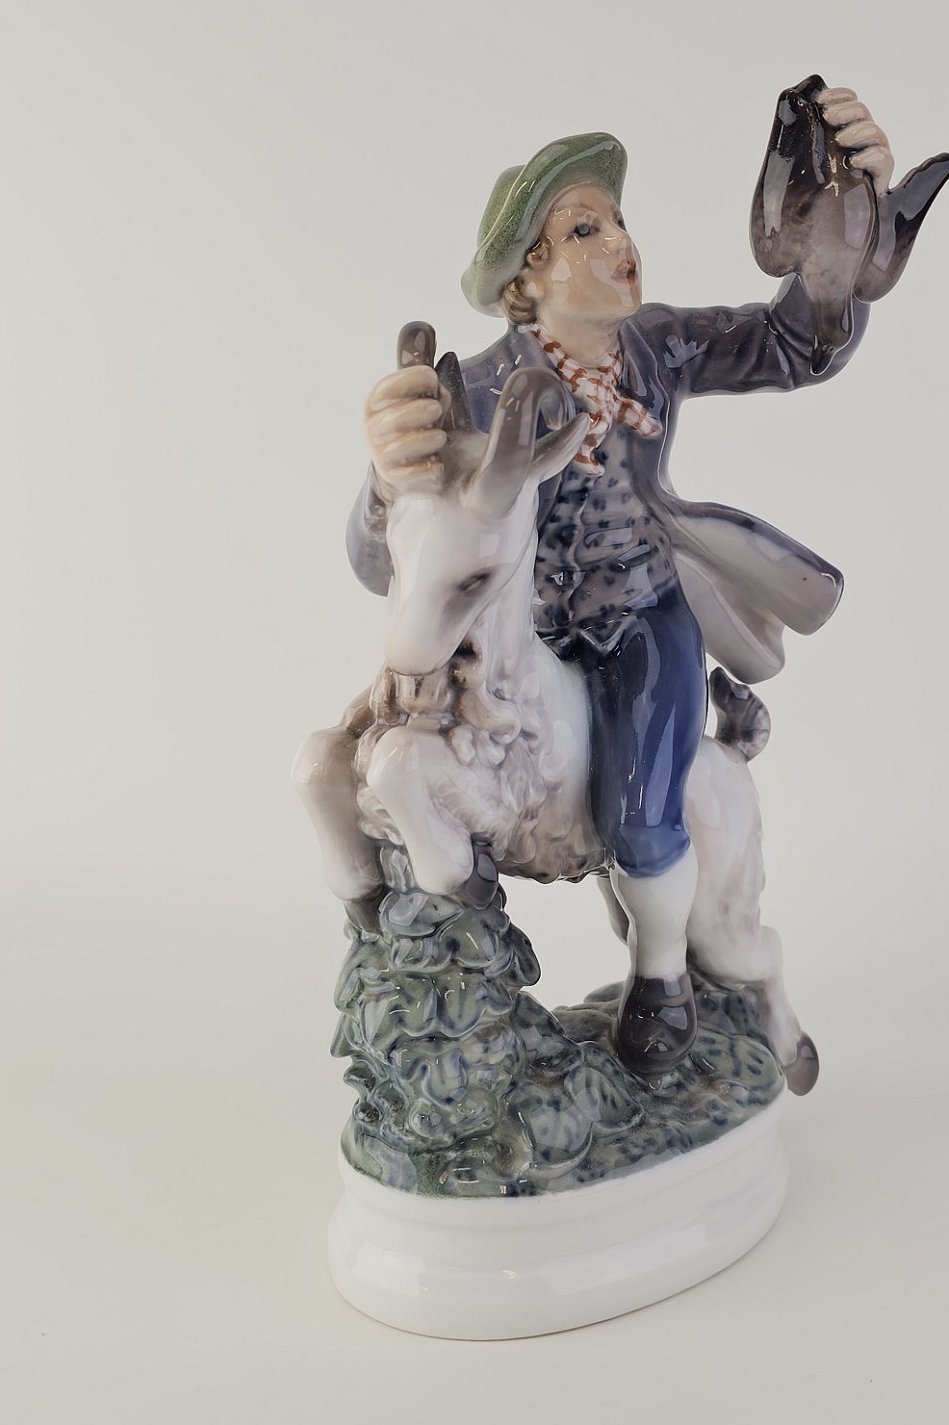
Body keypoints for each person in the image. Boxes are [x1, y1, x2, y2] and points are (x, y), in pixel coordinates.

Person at [350, 89, 894, 1074]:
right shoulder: (481, 390)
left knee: (647, 802)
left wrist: (841, 240)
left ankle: (662, 972)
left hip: (641, 618)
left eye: (619, 220)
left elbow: (793, 346)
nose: (621, 242)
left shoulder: (660, 348)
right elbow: (384, 560)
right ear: (529, 274)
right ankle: (430, 901)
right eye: (584, 229)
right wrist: (386, 475)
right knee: (378, 750)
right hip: (519, 635)